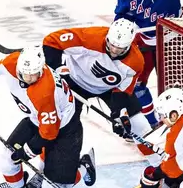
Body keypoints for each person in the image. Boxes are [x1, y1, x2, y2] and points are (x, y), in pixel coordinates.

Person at [0, 45, 96, 188]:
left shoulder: (45, 92)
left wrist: (27, 151)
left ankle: (85, 166)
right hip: (37, 120)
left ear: (41, 69)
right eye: (25, 73)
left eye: (33, 74)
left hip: (65, 128)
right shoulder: (11, 63)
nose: (28, 78)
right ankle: (16, 185)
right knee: (7, 159)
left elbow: (49, 133)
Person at [41, 19, 163, 172]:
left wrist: (120, 114)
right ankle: (42, 168)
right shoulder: (90, 37)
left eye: (120, 48)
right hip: (74, 81)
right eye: (111, 45)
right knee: (58, 124)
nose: (114, 50)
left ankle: (160, 165)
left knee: (140, 125)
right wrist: (59, 70)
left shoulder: (136, 61)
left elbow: (122, 91)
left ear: (130, 44)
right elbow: (51, 41)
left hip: (109, 88)